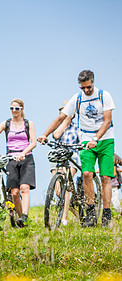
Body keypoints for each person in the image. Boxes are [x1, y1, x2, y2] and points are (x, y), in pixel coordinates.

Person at [38, 70, 115, 227]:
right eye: (83, 88)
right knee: (86, 173)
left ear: (93, 83)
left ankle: (106, 215)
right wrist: (45, 134)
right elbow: (60, 118)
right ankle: (91, 212)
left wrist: (96, 139)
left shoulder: (104, 96)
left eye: (88, 87)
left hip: (105, 139)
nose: (86, 90)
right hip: (86, 140)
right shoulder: (77, 98)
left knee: (106, 177)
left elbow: (107, 121)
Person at [0, 99, 36, 227]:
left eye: (17, 108)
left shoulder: (28, 123)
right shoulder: (6, 124)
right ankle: (21, 220)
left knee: (24, 188)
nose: (14, 111)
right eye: (12, 108)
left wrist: (23, 153)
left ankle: (25, 215)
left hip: (26, 157)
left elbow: (33, 143)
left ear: (22, 109)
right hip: (11, 158)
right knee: (14, 193)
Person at [50, 101, 80, 225]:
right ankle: (78, 215)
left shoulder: (78, 128)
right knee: (58, 190)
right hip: (58, 156)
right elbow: (55, 136)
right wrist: (64, 123)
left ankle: (64, 218)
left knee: (65, 186)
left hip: (72, 157)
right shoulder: (58, 126)